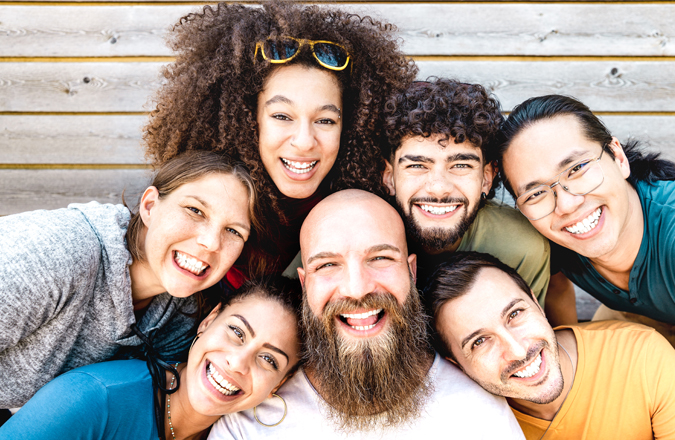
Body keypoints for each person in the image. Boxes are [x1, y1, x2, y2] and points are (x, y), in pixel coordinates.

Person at [497, 94, 675, 423]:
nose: (565, 205)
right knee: (594, 403)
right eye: (535, 193)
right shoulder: (542, 236)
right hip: (632, 313)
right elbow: (557, 286)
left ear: (618, 157)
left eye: (577, 169)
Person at [209, 190, 525, 439]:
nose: (357, 289)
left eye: (380, 258)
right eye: (328, 265)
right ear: (306, 285)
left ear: (411, 272)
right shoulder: (245, 427)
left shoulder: (479, 415)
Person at [143, 2, 417, 280]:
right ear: (249, 119)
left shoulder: (356, 212)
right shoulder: (200, 204)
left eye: (325, 120)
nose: (304, 142)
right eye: (282, 116)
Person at [0, 150, 256, 409]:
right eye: (195, 210)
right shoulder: (60, 252)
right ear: (149, 206)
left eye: (233, 231)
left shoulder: (179, 316)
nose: (211, 242)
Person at [424, 251, 675, 439]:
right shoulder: (467, 425)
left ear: (535, 302)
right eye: (479, 342)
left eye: (515, 314)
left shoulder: (639, 354)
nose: (517, 350)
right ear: (455, 364)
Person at [0, 277, 301, 440]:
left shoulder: (239, 434)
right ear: (209, 321)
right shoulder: (92, 399)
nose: (237, 362)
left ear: (280, 383)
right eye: (236, 331)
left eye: (269, 360)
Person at [381, 78, 551, 303]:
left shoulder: (519, 247)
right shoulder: (363, 235)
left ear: (486, 178)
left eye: (461, 165)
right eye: (417, 166)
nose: (439, 188)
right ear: (389, 177)